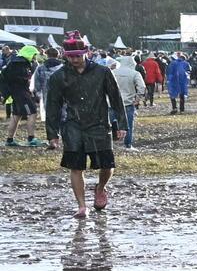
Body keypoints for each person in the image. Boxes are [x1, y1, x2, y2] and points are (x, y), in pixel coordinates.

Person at [44, 35, 123, 219]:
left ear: (86, 53)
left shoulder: (102, 72)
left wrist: (121, 124)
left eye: (78, 56)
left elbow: (116, 99)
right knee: (75, 166)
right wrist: (52, 134)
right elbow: (52, 106)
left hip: (99, 124)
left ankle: (100, 188)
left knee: (107, 164)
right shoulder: (59, 76)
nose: (74, 60)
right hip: (72, 126)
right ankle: (81, 206)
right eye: (70, 56)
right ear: (66, 55)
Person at [3, 44, 41, 147]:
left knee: (16, 115)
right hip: (21, 93)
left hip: (16, 93)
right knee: (32, 112)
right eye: (34, 55)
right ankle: (31, 138)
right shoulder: (21, 63)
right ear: (29, 53)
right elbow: (20, 78)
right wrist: (27, 81)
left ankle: (10, 139)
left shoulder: (15, 61)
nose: (34, 57)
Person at [110, 54, 143, 150]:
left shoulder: (112, 72)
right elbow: (141, 87)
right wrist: (137, 99)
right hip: (128, 103)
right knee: (128, 125)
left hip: (112, 103)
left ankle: (107, 143)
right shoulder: (135, 73)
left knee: (108, 124)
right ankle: (127, 145)